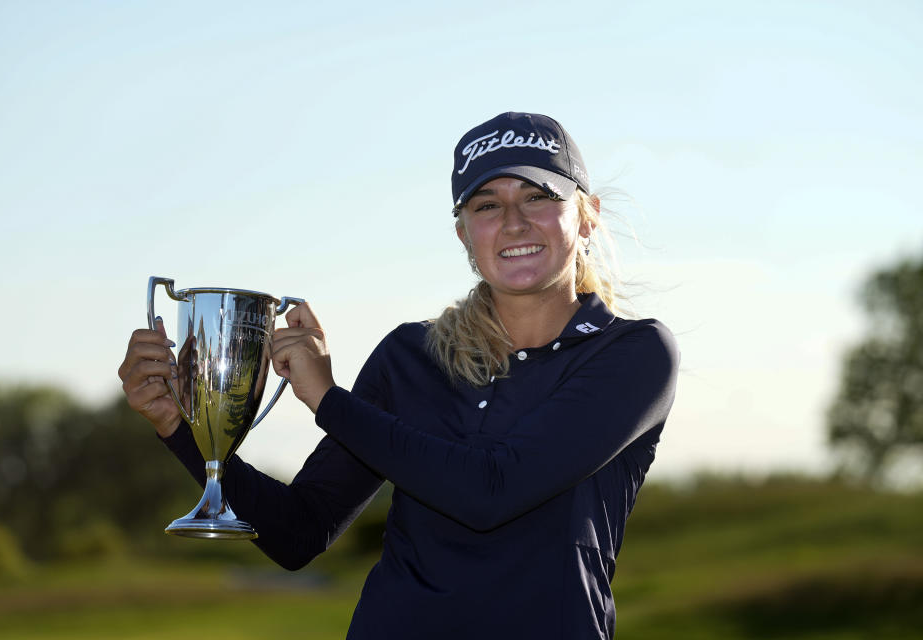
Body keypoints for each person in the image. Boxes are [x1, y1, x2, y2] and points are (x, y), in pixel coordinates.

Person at [118, 112, 679, 639]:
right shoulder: (411, 354)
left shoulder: (633, 353)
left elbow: (492, 491)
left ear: (586, 215)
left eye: (538, 197)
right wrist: (179, 426)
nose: (512, 222)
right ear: (463, 232)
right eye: (485, 205)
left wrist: (330, 401)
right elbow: (298, 532)